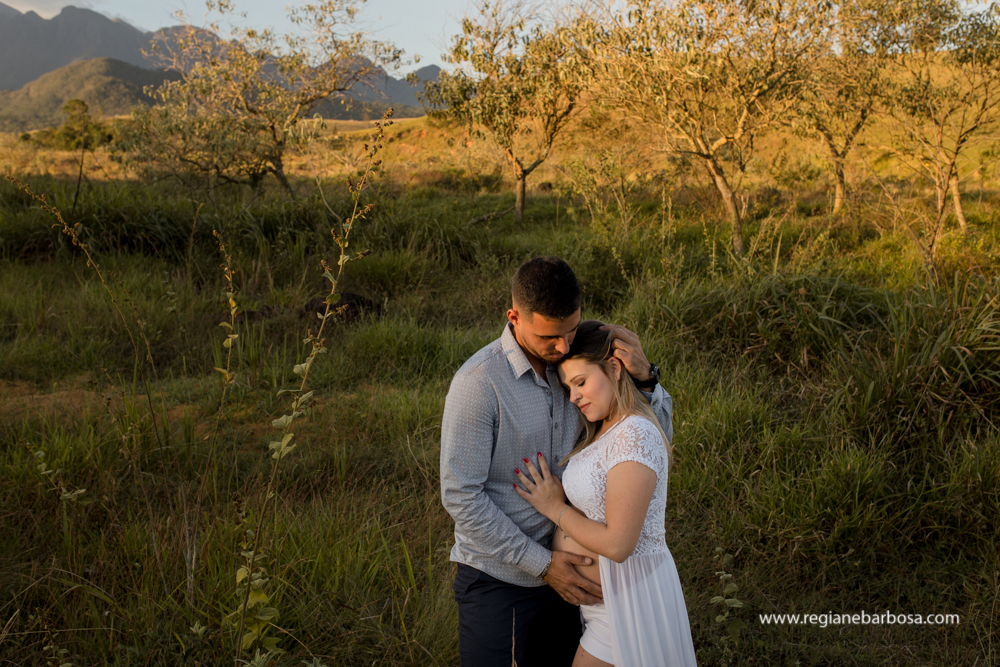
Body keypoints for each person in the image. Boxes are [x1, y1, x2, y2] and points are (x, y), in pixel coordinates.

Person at [440, 257, 674, 667]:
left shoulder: (580, 362)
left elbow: (645, 446)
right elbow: (461, 497)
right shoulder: (478, 384)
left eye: (571, 331)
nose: (563, 347)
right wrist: (544, 564)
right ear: (514, 317)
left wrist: (647, 379)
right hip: (502, 577)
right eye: (551, 336)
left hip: (573, 584)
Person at [514, 320, 698, 666]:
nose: (574, 397)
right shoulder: (606, 431)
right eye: (569, 387)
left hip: (627, 604)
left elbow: (618, 544)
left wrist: (555, 508)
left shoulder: (636, 433)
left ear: (614, 368)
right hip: (605, 602)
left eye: (581, 382)